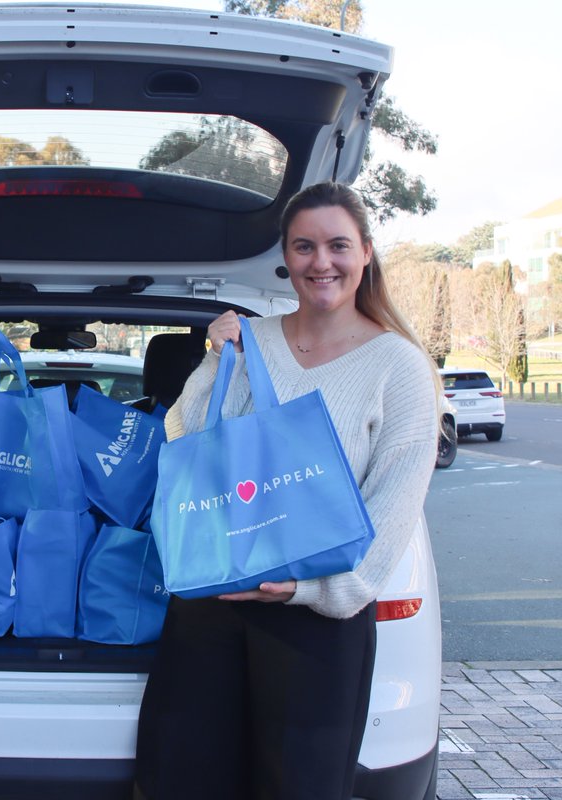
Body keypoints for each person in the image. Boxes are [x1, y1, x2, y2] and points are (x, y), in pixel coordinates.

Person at [134, 182, 440, 800]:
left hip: (316, 623)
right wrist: (214, 357)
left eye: (337, 245)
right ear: (286, 256)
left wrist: (308, 590)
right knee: (183, 780)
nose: (321, 262)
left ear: (366, 252)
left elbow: (393, 506)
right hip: (215, 599)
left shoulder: (398, 366)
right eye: (304, 247)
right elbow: (185, 436)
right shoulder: (253, 341)